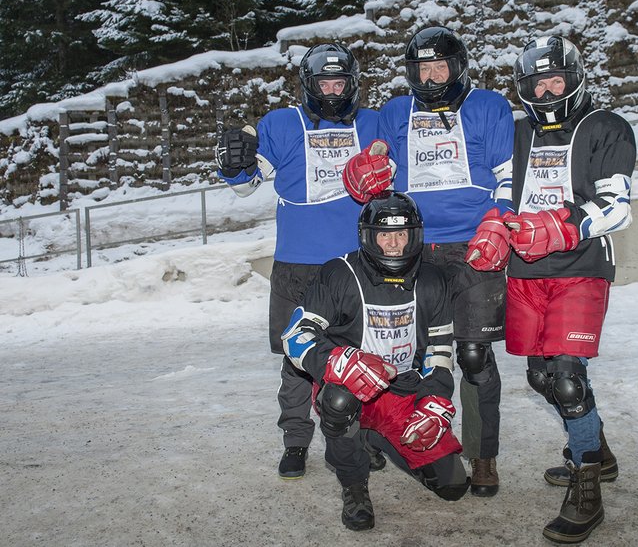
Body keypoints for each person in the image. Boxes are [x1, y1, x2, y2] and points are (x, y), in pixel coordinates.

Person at [465, 36, 635, 543]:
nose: (546, 90)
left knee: (566, 378)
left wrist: (563, 226)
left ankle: (586, 487)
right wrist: (495, 225)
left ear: (575, 78)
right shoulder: (519, 134)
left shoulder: (606, 127)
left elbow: (618, 205)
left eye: (555, 80)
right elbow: (504, 191)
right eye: (537, 83)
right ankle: (598, 453)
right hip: (525, 272)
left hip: (579, 266)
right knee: (542, 377)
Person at [341, 26, 514, 497]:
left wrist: (500, 222)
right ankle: (386, 432)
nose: (432, 76)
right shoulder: (396, 111)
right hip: (411, 246)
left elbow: (508, 176)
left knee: (474, 355)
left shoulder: (489, 106)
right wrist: (365, 174)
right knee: (395, 351)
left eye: (440, 66)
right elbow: (377, 171)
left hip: (474, 244)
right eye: (422, 68)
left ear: (458, 66)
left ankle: (482, 455)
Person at [215, 42, 384, 480]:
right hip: (297, 263)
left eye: (339, 82)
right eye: (324, 82)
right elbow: (246, 186)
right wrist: (232, 163)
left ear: (353, 84)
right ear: (308, 85)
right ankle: (295, 440)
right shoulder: (281, 123)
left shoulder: (372, 122)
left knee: (360, 353)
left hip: (356, 261)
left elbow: (395, 178)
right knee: (297, 360)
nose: (332, 91)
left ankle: (362, 437)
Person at [280, 191, 469, 530]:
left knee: (453, 485)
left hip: (403, 392)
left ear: (416, 235)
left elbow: (440, 352)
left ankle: (373, 438)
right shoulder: (339, 273)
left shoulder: (433, 279)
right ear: (369, 236)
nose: (394, 244)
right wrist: (335, 361)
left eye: (402, 233)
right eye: (385, 235)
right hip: (350, 390)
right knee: (339, 401)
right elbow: (295, 335)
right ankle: (354, 485)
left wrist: (435, 402)